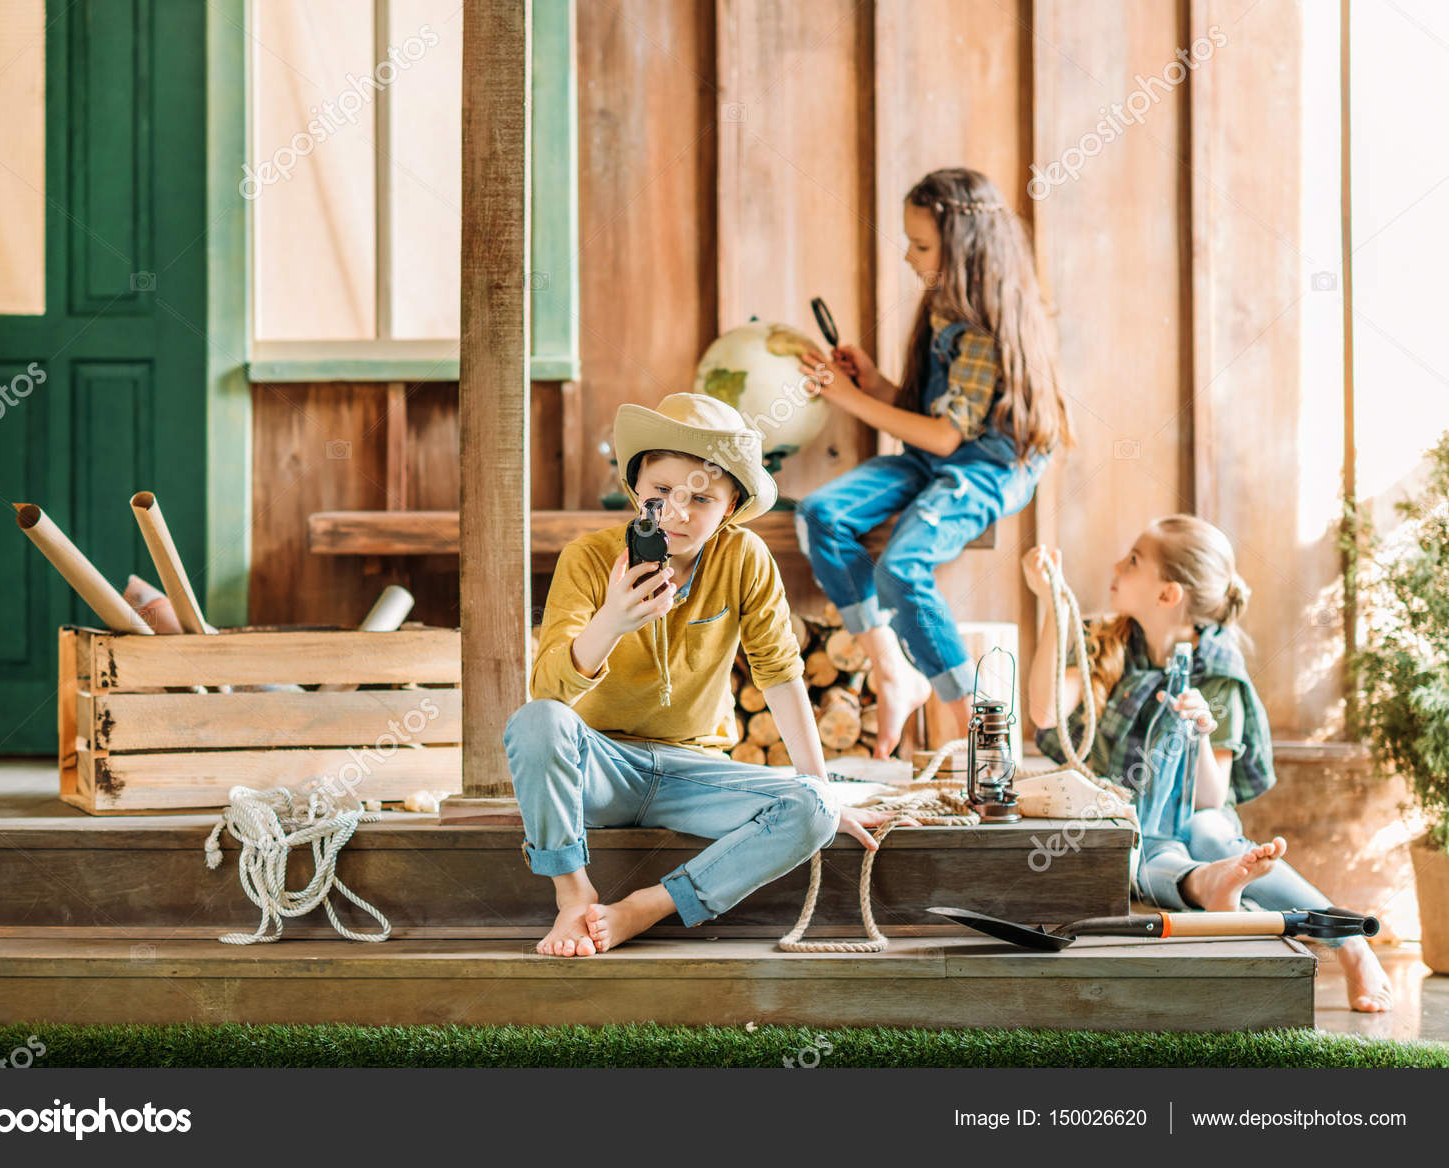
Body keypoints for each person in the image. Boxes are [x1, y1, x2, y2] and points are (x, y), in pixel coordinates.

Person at [504, 392, 908, 957]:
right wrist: (612, 621)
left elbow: (781, 674)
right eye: (660, 493)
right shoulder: (589, 559)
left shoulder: (744, 558)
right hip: (601, 768)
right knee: (535, 722)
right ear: (635, 491)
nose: (675, 513)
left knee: (813, 805)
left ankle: (646, 907)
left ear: (731, 508)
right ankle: (573, 897)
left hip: (697, 775)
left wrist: (823, 791)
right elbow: (548, 691)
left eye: (701, 498)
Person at [1023, 516, 1392, 1012]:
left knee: (1213, 834)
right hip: (1129, 818)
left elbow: (1209, 798)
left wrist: (1199, 733)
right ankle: (1213, 885)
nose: (1116, 566)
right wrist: (1050, 605)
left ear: (1168, 594)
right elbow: (1046, 712)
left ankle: (1350, 943)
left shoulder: (1218, 671)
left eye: (1133, 561)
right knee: (1135, 851)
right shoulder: (1100, 640)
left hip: (1196, 813)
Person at [794, 166, 1070, 758]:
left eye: (920, 245)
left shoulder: (986, 330)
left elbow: (949, 436)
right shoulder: (943, 311)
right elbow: (933, 417)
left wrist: (852, 400)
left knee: (902, 566)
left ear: (965, 249)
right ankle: (893, 670)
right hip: (931, 456)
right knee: (820, 513)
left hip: (988, 466)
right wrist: (875, 383)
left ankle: (966, 709)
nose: (908, 256)